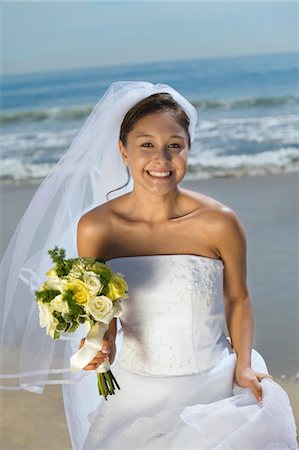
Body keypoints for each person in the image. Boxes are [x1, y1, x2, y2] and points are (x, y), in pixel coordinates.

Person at [0, 81, 297, 449]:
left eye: (175, 145)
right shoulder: (96, 229)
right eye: (146, 146)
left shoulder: (220, 222)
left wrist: (244, 367)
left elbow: (239, 299)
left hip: (216, 384)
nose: (162, 159)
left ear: (188, 149)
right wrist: (100, 346)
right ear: (123, 151)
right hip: (137, 397)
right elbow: (102, 314)